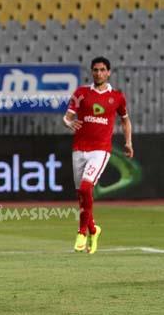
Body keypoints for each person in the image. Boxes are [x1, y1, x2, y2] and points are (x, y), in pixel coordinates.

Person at [62, 56, 133, 254]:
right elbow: (66, 118)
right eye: (95, 70)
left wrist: (128, 142)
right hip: (79, 149)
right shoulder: (81, 93)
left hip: (100, 150)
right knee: (82, 195)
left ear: (108, 72)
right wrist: (68, 123)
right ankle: (94, 229)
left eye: (102, 70)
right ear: (91, 72)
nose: (99, 73)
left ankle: (82, 231)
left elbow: (125, 121)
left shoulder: (117, 97)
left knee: (86, 187)